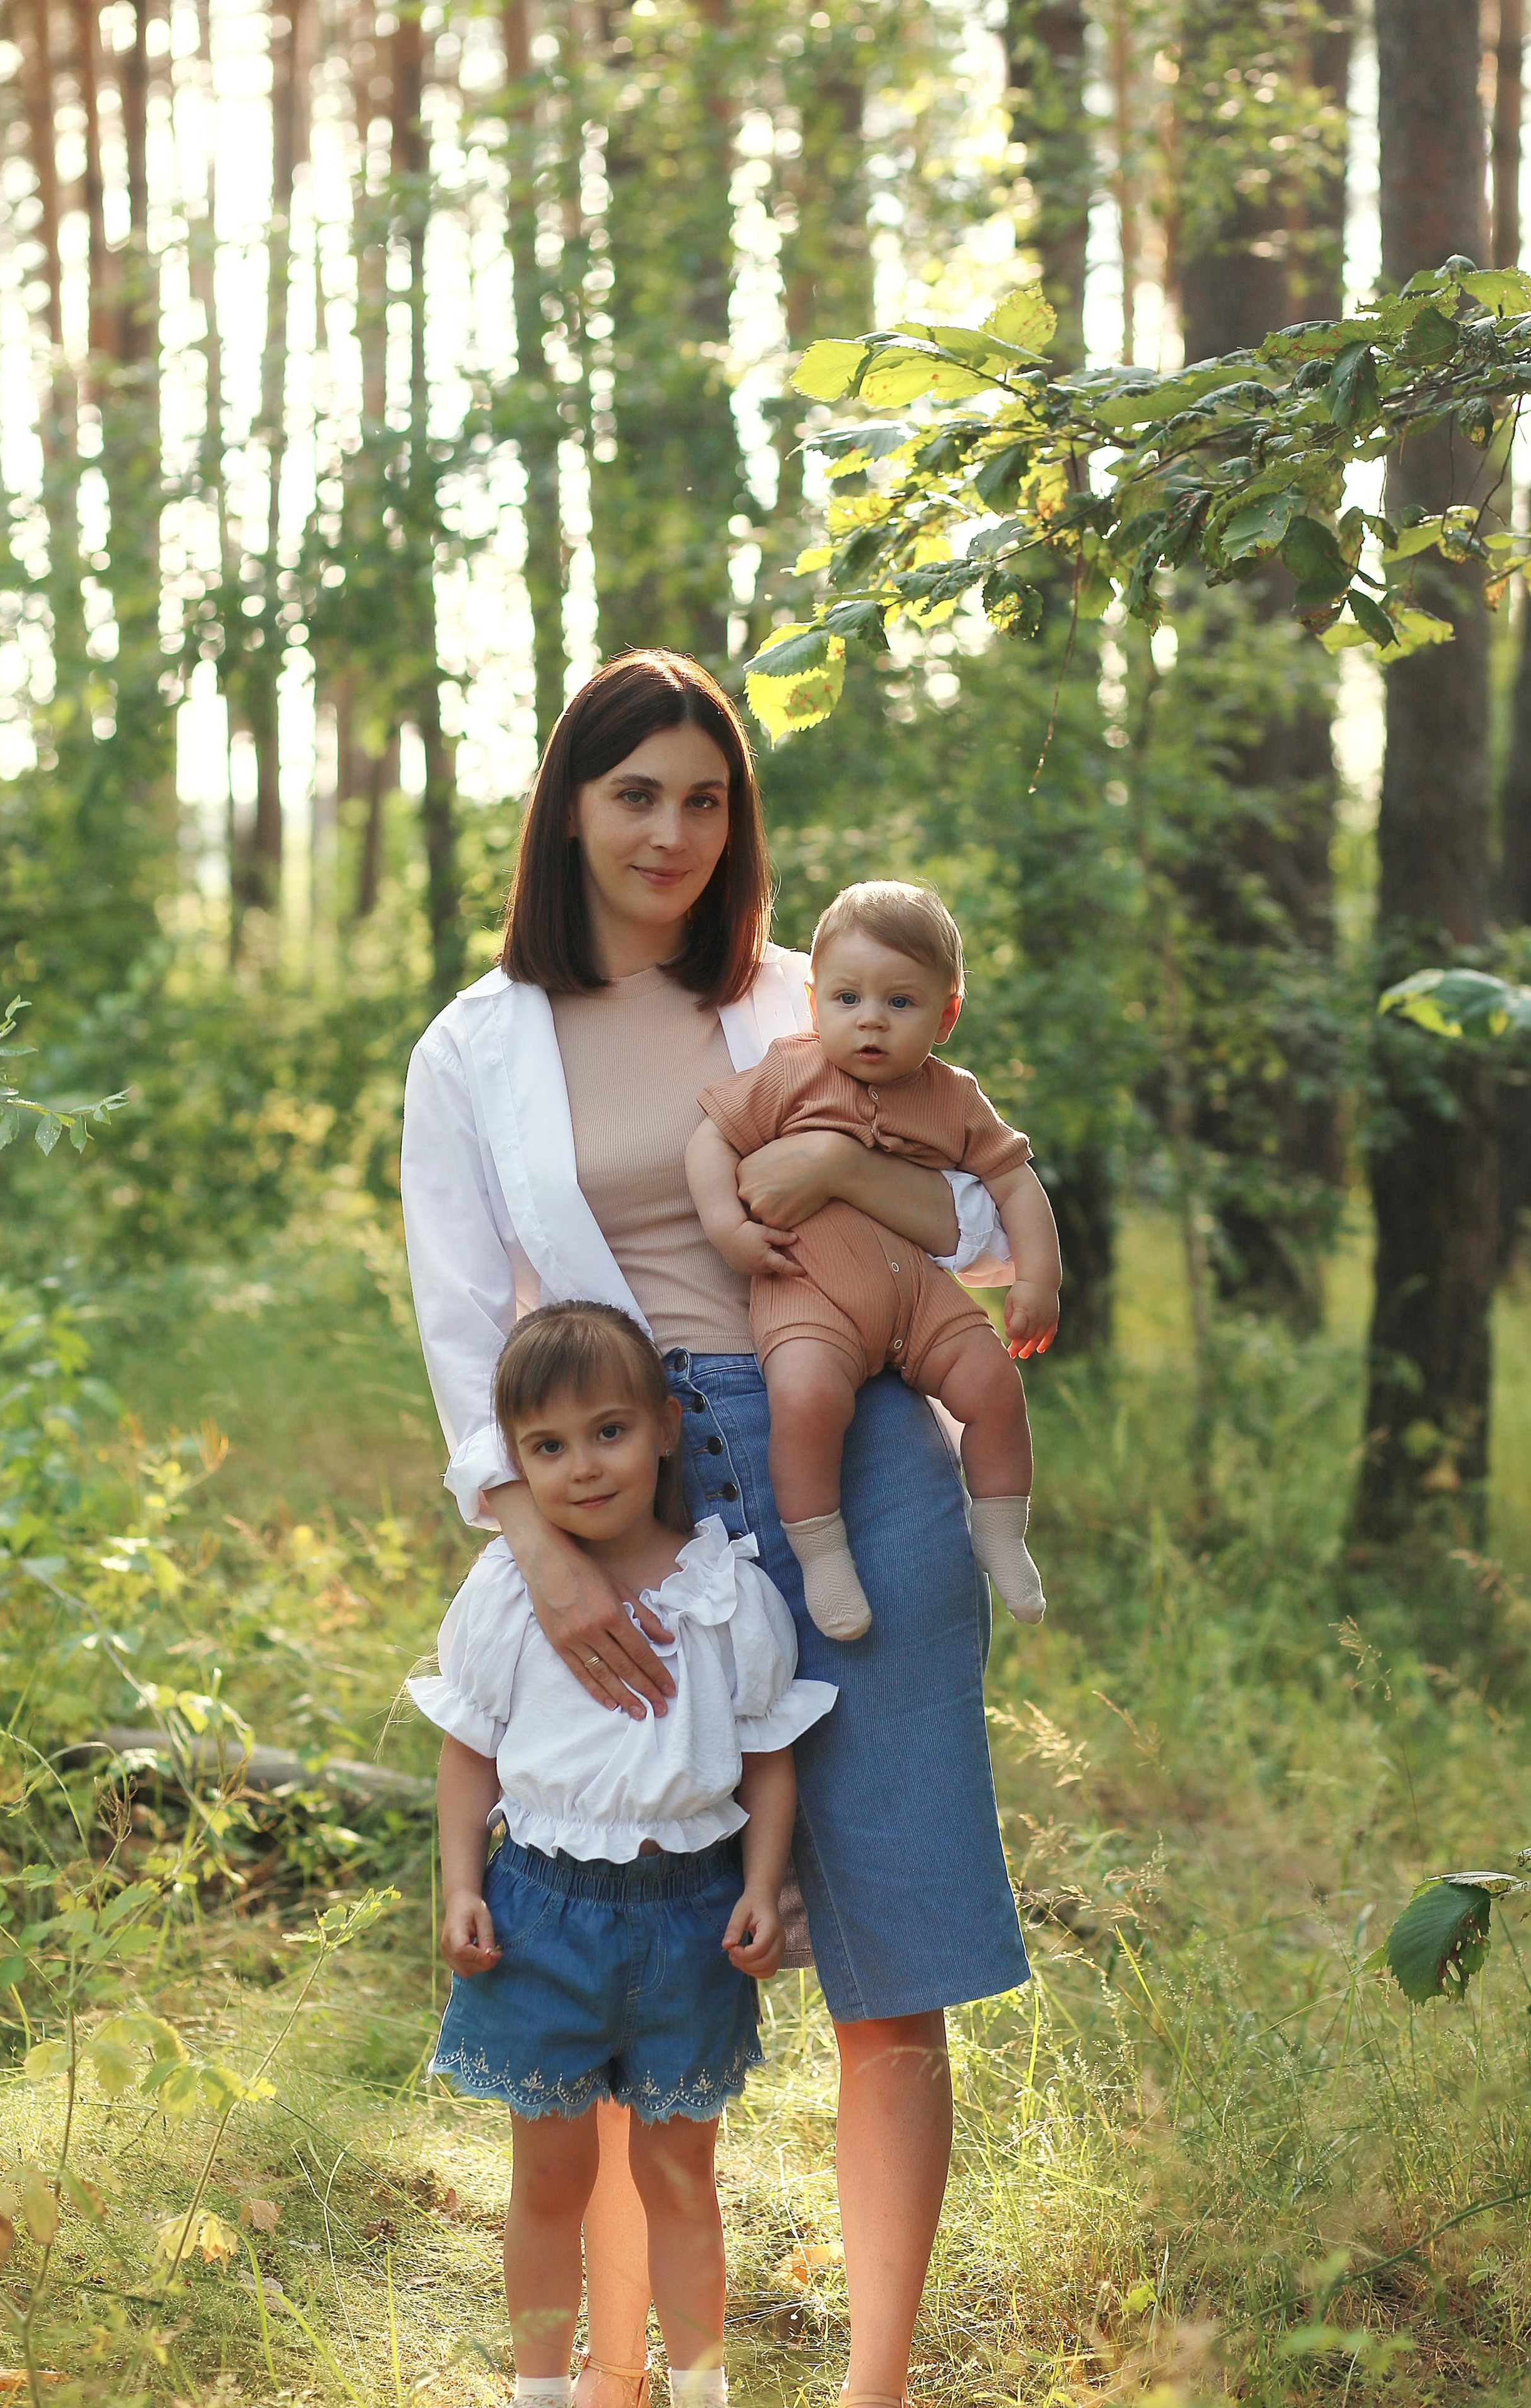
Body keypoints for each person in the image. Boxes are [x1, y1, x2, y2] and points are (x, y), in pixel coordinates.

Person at [401, 648, 1031, 2408]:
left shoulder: (804, 1000)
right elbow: (465, 1332)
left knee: (886, 1960)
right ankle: (616, 2387)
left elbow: (980, 1232)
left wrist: (837, 1173)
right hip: (633, 1497)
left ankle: (875, 2389)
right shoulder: (474, 1044)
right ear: (569, 810)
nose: (674, 831)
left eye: (707, 798)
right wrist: (538, 1541)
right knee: (620, 1935)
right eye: (636, 794)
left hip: (863, 1456)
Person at [410, 1300, 834, 2403]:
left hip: (690, 1921)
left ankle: (699, 2386)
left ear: (660, 1429)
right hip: (539, 1915)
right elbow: (469, 1757)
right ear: (513, 1463)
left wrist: (759, 1885)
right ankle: (542, 2391)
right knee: (548, 2176)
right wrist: (462, 1885)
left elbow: (766, 1759)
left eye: (607, 1431)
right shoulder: (508, 1595)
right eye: (546, 1447)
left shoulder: (726, 1594)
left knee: (680, 2175)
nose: (582, 1467)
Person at [686, 879, 1060, 1641]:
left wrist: (1039, 1280)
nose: (870, 1023)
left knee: (993, 1383)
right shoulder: (790, 1072)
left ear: (946, 1015)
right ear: (815, 999)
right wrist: (727, 1229)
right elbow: (710, 1140)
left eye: (900, 1003)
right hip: (808, 1291)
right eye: (849, 999)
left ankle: (1001, 1530)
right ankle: (823, 1555)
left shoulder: (953, 1097)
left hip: (921, 1299)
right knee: (804, 1399)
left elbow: (1016, 1183)